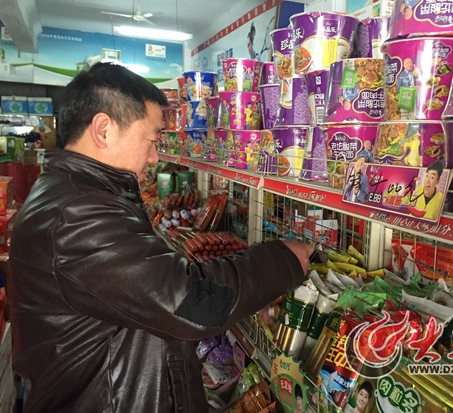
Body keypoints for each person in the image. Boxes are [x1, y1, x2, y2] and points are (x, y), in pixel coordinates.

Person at [8, 62, 313, 413]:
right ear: (104, 130)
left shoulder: (75, 194)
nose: (154, 157)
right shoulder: (76, 214)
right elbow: (188, 300)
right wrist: (283, 260)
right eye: (152, 139)